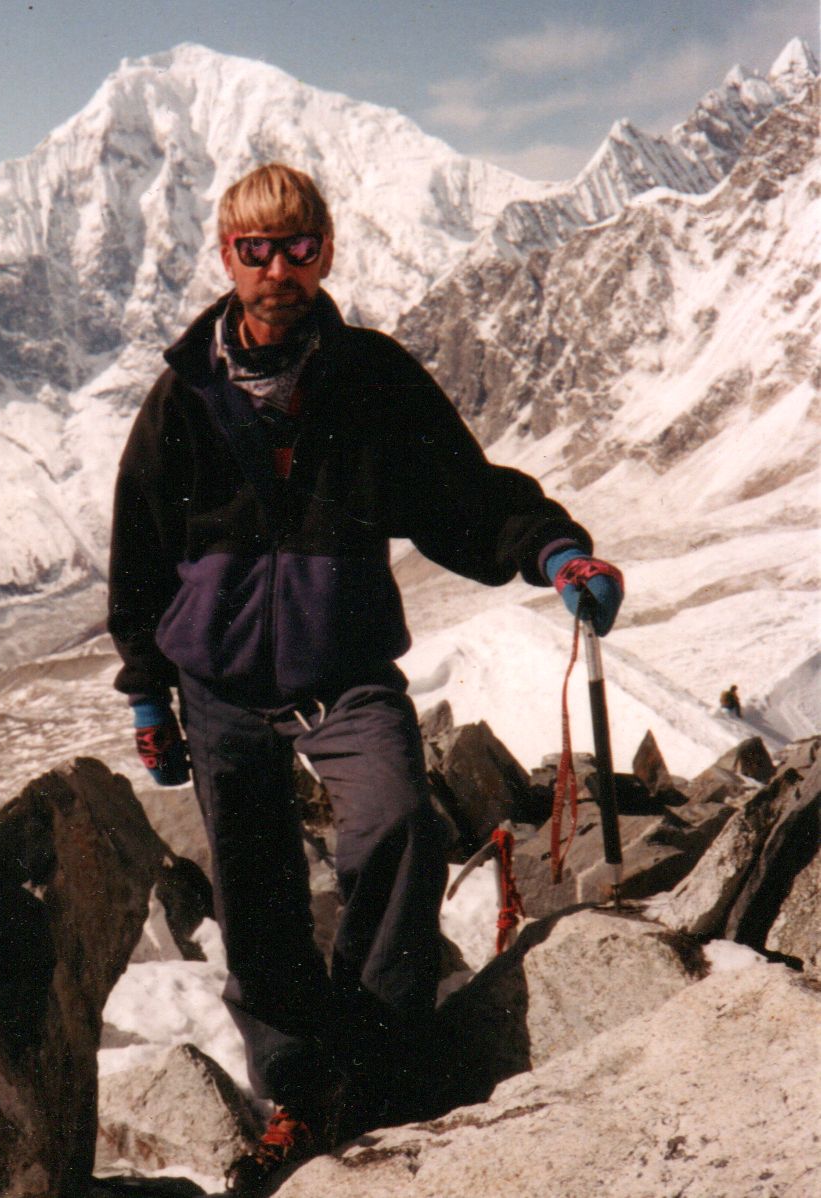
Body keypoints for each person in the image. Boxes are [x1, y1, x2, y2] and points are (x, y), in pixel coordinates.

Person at [107, 163, 623, 1194]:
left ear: (326, 250)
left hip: (342, 669)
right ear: (227, 259)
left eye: (297, 247)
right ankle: (298, 1087)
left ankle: (377, 1060)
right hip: (217, 686)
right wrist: (146, 688)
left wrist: (556, 551)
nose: (277, 270)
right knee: (255, 896)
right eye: (255, 250)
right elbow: (141, 547)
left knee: (396, 824)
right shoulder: (186, 399)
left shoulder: (371, 380)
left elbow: (464, 497)